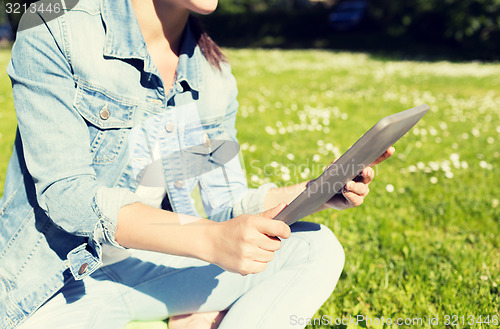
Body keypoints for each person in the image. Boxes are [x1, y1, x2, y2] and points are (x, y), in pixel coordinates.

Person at [0, 0, 394, 328]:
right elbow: (69, 196)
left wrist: (315, 191)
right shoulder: (55, 28)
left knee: (314, 246)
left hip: (148, 267)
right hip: (61, 284)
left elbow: (225, 204)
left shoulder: (213, 74)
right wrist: (210, 240)